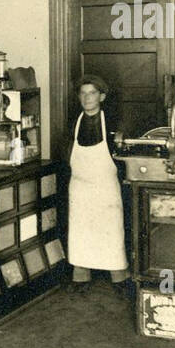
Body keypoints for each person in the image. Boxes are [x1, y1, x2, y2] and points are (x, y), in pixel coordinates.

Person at [66, 75, 130, 296]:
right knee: (80, 231)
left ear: (101, 96)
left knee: (111, 231)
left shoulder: (112, 124)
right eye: (83, 93)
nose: (87, 98)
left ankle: (119, 277)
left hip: (105, 187)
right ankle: (80, 275)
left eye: (92, 93)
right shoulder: (73, 124)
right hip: (80, 188)